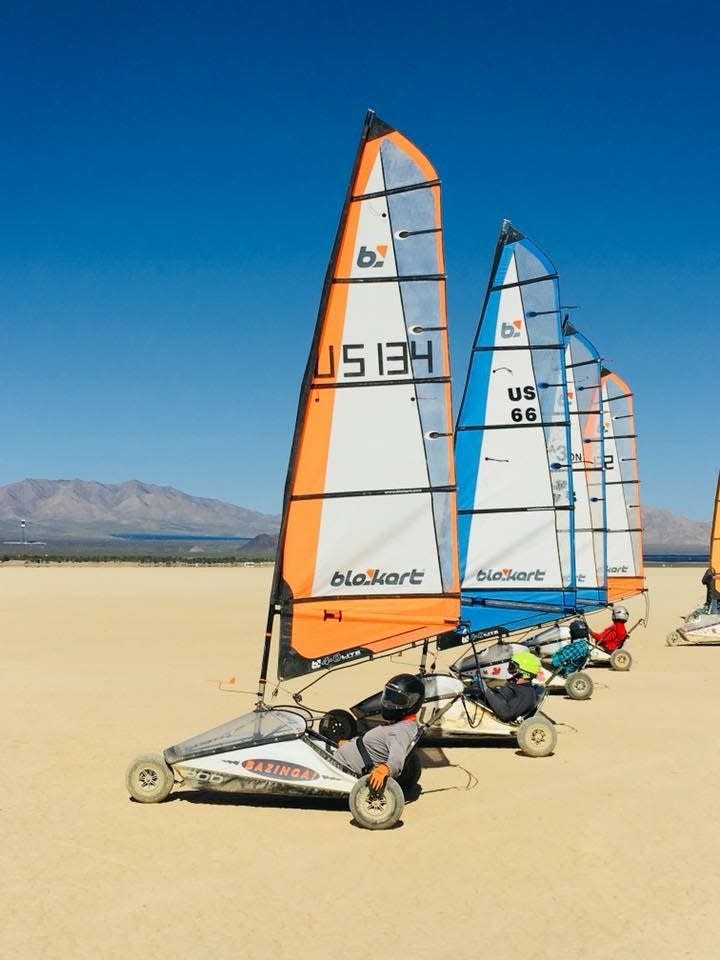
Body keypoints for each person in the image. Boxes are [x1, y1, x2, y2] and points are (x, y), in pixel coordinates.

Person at [335, 673, 423, 792]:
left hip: (338, 766)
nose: (389, 703)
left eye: (396, 700)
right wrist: (351, 744)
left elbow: (397, 760)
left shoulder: (401, 731)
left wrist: (384, 769)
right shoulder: (401, 724)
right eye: (388, 697)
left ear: (412, 703)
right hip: (341, 755)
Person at [468, 650, 541, 723]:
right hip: (478, 704)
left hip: (482, 715)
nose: (509, 669)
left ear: (524, 673)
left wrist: (486, 690)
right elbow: (498, 696)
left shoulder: (527, 694)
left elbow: (506, 714)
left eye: (512, 667)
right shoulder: (515, 684)